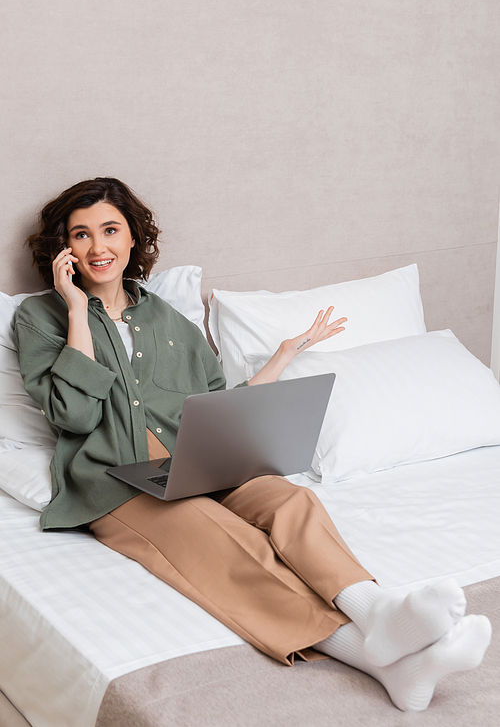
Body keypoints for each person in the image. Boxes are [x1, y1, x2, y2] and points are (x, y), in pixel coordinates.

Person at [15, 177, 491, 712]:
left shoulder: (169, 321)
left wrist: (285, 355)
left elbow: (215, 406)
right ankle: (379, 656)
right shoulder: (41, 317)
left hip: (196, 463)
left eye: (110, 230)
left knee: (290, 499)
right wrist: (77, 310)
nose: (97, 247)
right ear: (65, 249)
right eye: (81, 235)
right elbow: (73, 415)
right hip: (114, 484)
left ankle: (377, 609)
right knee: (222, 540)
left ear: (132, 240)